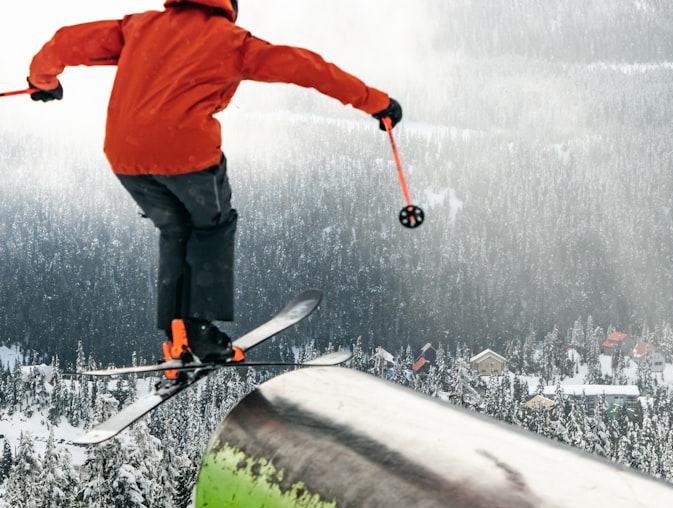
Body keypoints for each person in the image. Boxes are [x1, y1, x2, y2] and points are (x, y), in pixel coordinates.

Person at [27, 0, 402, 368]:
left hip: (126, 157)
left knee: (175, 231)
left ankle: (178, 337)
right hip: (188, 157)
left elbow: (65, 41)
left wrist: (43, 82)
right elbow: (309, 68)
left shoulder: (139, 26)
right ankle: (202, 332)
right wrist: (377, 103)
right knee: (213, 227)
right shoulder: (231, 41)